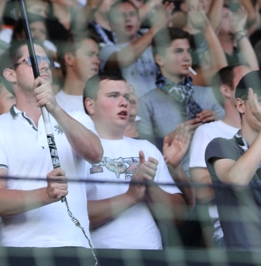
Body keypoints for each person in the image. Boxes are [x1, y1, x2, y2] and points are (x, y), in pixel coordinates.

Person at [0, 40, 103, 248]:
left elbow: (96, 153)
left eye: (46, 60)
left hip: (76, 246)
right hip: (22, 249)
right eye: (33, 60)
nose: (44, 65)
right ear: (10, 74)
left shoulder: (77, 117)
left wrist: (55, 109)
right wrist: (45, 194)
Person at [84, 70, 189, 249]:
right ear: (90, 105)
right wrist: (130, 197)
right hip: (100, 256)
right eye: (113, 96)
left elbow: (179, 217)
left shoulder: (146, 148)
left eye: (126, 96)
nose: (124, 102)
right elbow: (71, 214)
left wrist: (149, 188)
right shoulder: (79, 149)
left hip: (149, 254)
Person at [138, 28, 224, 171]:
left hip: (217, 174)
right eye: (178, 51)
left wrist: (217, 124)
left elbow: (233, 133)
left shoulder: (208, 94)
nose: (187, 57)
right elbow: (140, 149)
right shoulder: (146, 103)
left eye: (188, 51)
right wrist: (170, 138)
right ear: (159, 59)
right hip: (176, 178)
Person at [189, 65, 251, 246]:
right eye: (246, 80)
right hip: (231, 233)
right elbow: (201, 193)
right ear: (225, 90)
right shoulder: (209, 131)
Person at [205, 70, 261, 250]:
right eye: (259, 100)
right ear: (241, 105)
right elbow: (237, 179)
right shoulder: (221, 145)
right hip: (245, 255)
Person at [55, 34, 100, 113]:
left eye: (97, 56)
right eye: (89, 54)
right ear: (69, 59)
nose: (97, 61)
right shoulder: (54, 106)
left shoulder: (104, 101)